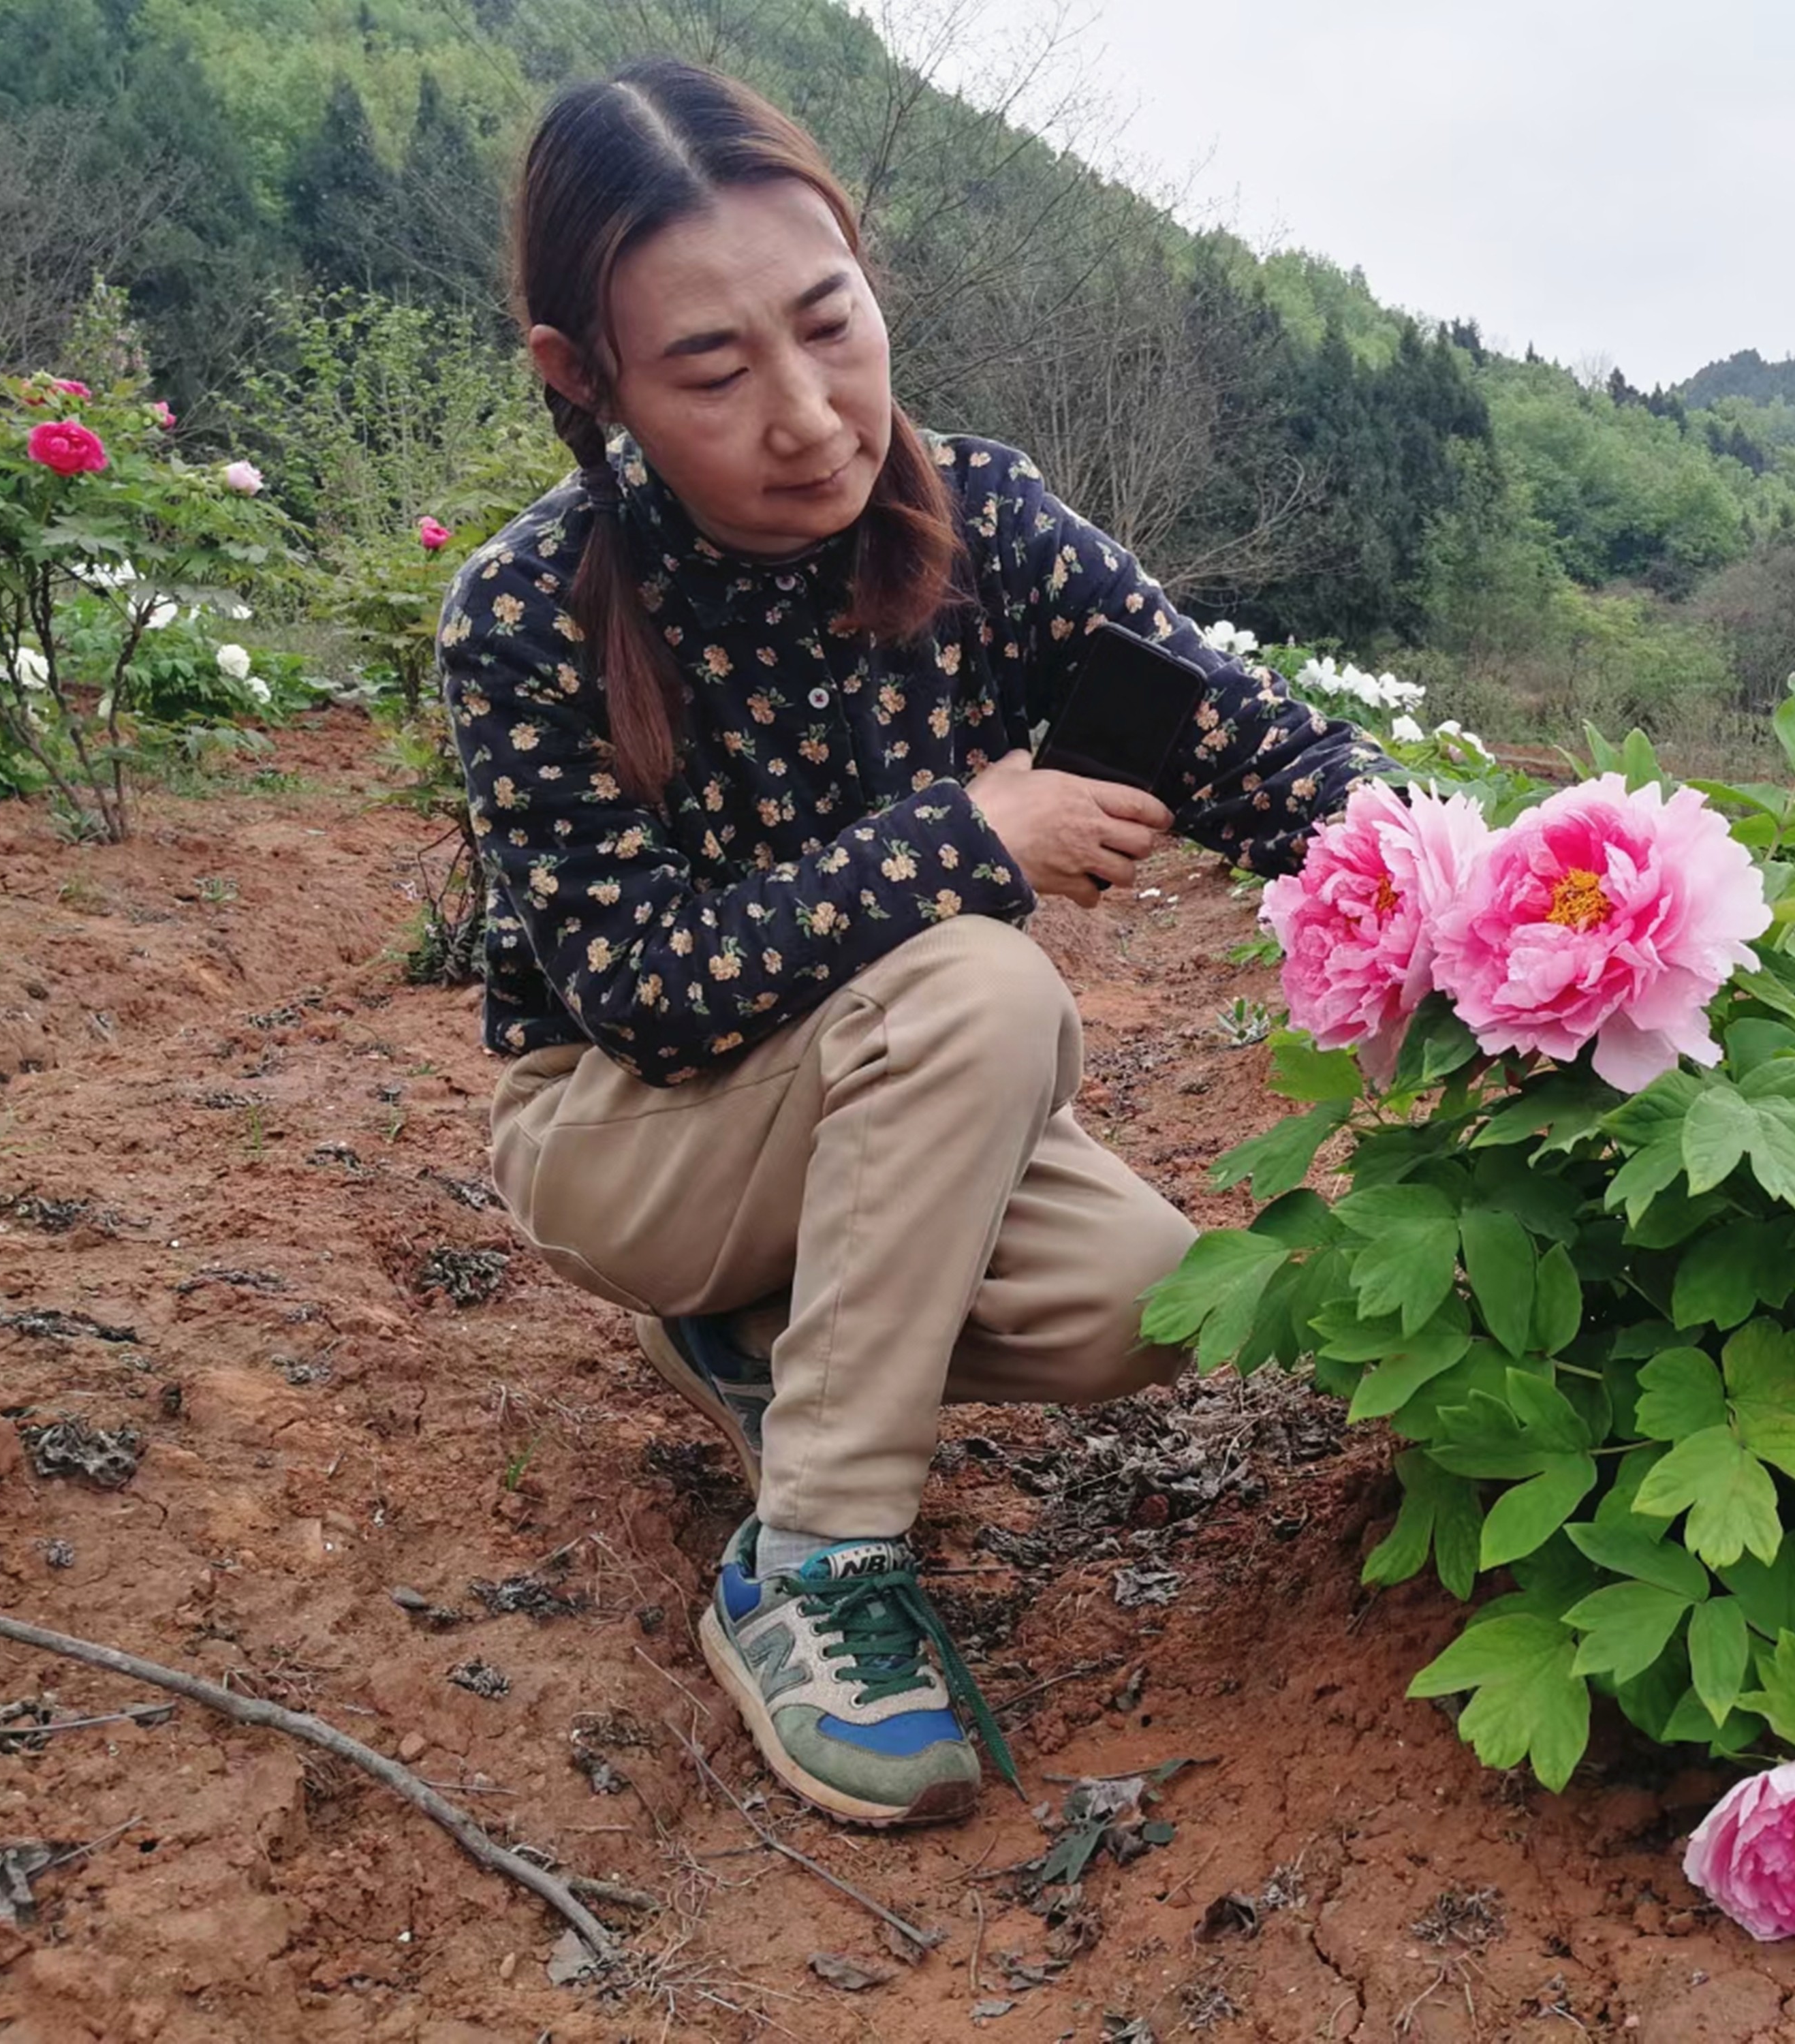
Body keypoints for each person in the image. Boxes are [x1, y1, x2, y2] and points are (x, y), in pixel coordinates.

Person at [439, 58, 1382, 1830]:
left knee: (1155, 1298)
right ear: (587, 378)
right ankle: (812, 1559)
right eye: (714, 369)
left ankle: (763, 1340)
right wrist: (970, 837)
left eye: (831, 324)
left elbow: (1257, 747)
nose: (809, 415)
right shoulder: (527, 610)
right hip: (627, 1136)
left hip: (890, 1112)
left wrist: (1484, 889)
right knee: (975, 973)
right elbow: (643, 992)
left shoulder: (989, 527)